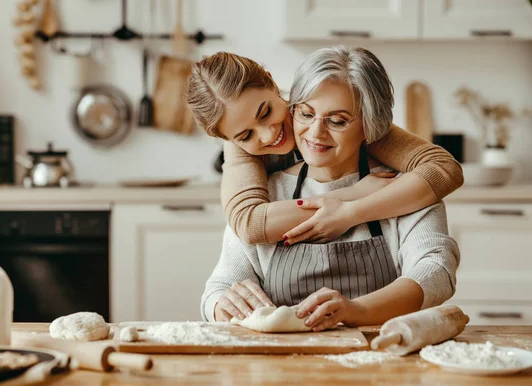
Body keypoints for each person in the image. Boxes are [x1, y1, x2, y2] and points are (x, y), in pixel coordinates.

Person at [200, 47, 460, 329]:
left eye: (337, 121)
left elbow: (435, 272)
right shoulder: (264, 195)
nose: (315, 133)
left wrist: (356, 310)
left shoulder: (403, 189)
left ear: (371, 126)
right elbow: (221, 284)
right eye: (306, 114)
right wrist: (219, 304)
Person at [186, 48, 463, 246]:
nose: (269, 134)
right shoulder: (238, 148)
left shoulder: (322, 110)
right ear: (228, 139)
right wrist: (350, 195)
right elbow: (250, 223)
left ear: (272, 84)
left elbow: (443, 169)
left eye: (266, 112)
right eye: (246, 135)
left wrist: (353, 214)